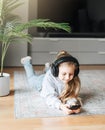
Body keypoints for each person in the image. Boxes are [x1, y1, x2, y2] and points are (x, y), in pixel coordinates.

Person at [21, 50, 82, 115]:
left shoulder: (73, 78)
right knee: (31, 80)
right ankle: (26, 63)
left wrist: (73, 104)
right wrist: (61, 106)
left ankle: (47, 69)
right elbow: (50, 97)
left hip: (49, 77)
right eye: (64, 74)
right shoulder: (49, 78)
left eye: (70, 74)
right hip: (41, 82)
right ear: (55, 71)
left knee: (49, 74)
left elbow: (71, 95)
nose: (67, 77)